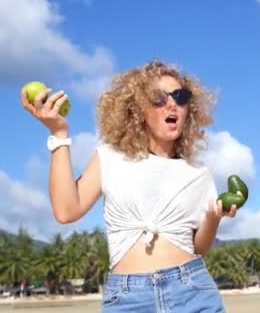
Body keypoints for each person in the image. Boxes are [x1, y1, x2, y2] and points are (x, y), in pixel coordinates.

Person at [21, 60, 238, 312]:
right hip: (128, 298)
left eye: (180, 97)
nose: (172, 104)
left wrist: (213, 218)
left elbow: (198, 246)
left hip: (193, 291)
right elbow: (66, 211)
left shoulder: (199, 173)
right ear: (139, 110)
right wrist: (59, 134)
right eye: (158, 98)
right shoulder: (110, 157)